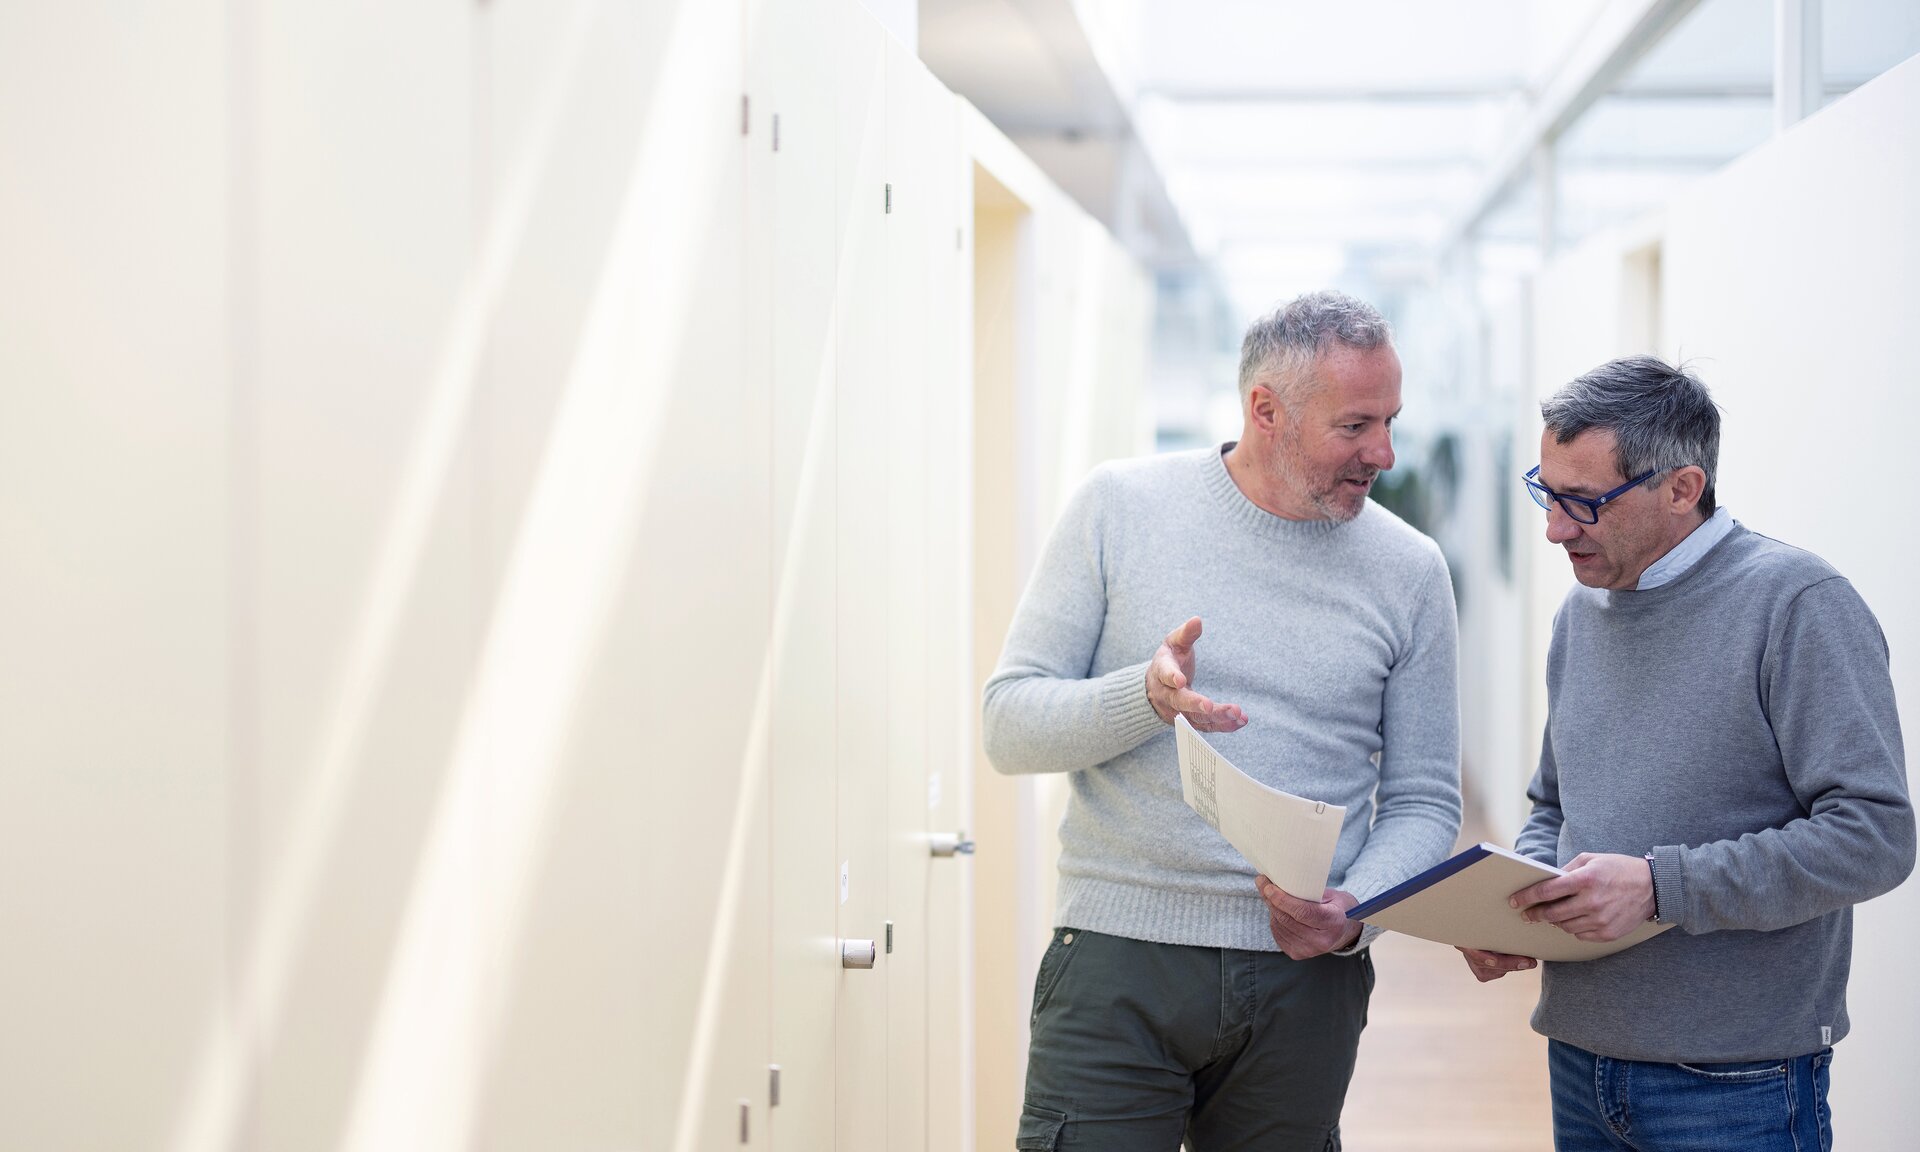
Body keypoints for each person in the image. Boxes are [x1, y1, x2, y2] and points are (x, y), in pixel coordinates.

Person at [982, 290, 1461, 1151]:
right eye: (1355, 426)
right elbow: (1009, 724)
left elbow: (1426, 801)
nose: (1383, 453)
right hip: (1118, 959)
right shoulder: (1117, 509)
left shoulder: (1412, 569)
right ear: (1265, 411)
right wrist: (1144, 698)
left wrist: (1355, 911)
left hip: (1308, 980)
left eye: (1391, 421)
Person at [1462, 355, 1915, 1151]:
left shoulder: (1799, 605)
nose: (1554, 528)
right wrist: (1522, 902)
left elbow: (1875, 838)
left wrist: (1660, 887)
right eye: (1547, 491)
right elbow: (1554, 804)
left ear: (1682, 489)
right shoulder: (1581, 613)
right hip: (1579, 1055)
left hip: (1740, 1080)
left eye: (1582, 502)